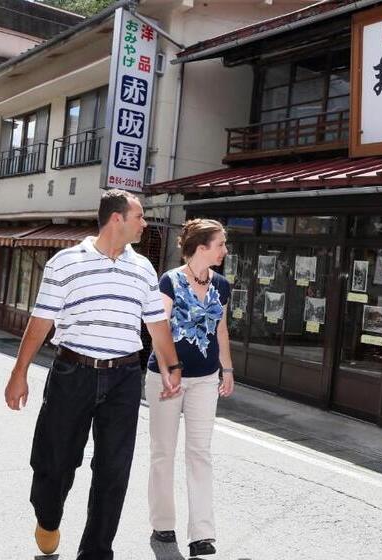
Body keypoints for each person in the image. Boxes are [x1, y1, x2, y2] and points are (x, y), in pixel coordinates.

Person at [3, 189, 182, 559]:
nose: (144, 223)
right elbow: (41, 321)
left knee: (113, 470)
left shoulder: (143, 267)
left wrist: (171, 366)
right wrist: (19, 372)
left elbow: (157, 325)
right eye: (139, 216)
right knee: (55, 462)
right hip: (73, 372)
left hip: (124, 377)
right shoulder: (66, 263)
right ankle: (48, 518)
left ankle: (97, 552)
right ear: (117, 218)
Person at [146, 219, 234, 558]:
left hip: (205, 379)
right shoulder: (169, 281)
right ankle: (163, 524)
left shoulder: (222, 285)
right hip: (166, 378)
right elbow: (158, 329)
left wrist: (226, 368)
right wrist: (171, 369)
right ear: (201, 248)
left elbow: (221, 330)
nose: (225, 250)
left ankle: (202, 534)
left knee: (200, 453)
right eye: (220, 244)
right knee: (163, 452)